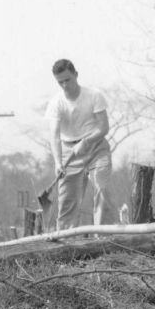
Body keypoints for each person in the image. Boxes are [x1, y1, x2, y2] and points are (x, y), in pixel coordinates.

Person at [45, 59, 116, 230]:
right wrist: (58, 163)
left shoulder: (94, 96)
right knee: (67, 202)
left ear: (76, 75)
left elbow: (103, 127)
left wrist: (86, 141)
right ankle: (65, 242)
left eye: (67, 79)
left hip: (96, 148)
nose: (64, 85)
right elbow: (54, 136)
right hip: (69, 153)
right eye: (60, 81)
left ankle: (102, 237)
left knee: (102, 190)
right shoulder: (56, 103)